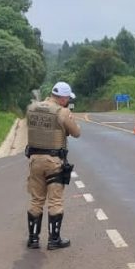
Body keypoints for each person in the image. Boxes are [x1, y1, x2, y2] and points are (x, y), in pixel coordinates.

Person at [24, 82, 81, 250]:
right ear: (62, 98)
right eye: (68, 98)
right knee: (55, 200)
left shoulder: (32, 108)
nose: (68, 101)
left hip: (34, 160)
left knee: (36, 199)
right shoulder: (62, 112)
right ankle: (54, 240)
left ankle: (33, 239)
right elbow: (76, 133)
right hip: (53, 161)